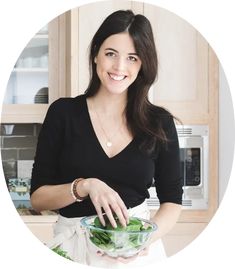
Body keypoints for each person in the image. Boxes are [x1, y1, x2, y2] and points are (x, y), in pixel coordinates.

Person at [30, 9, 183, 268]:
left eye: (132, 58)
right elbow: (38, 197)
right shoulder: (63, 113)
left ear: (143, 64)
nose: (119, 67)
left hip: (136, 252)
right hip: (73, 248)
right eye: (111, 53)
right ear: (95, 55)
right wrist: (85, 186)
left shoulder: (159, 123)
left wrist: (139, 241)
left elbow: (172, 201)